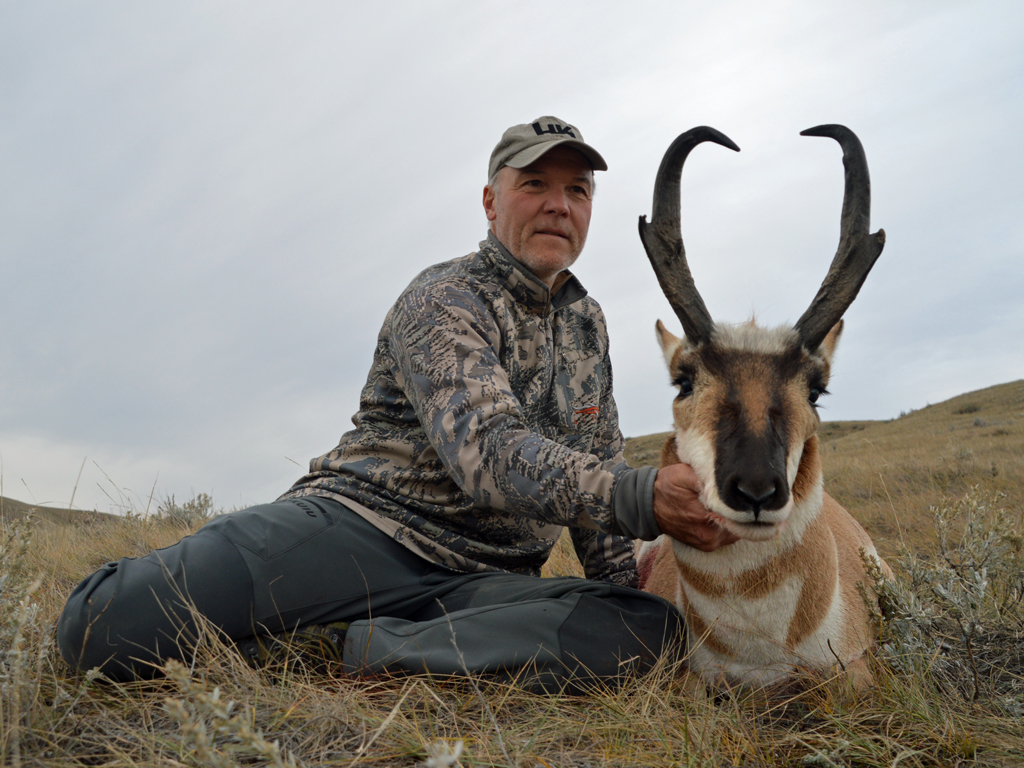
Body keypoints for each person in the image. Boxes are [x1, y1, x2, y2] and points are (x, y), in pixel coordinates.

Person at [57, 116, 736, 692]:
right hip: (360, 533)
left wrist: (626, 581)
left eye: (577, 190)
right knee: (101, 625)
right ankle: (351, 628)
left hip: (486, 585)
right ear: (490, 201)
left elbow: (600, 472)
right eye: (535, 184)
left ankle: (355, 648)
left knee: (648, 629)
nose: (559, 204)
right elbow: (490, 455)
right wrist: (643, 494)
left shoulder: (588, 327)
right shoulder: (444, 298)